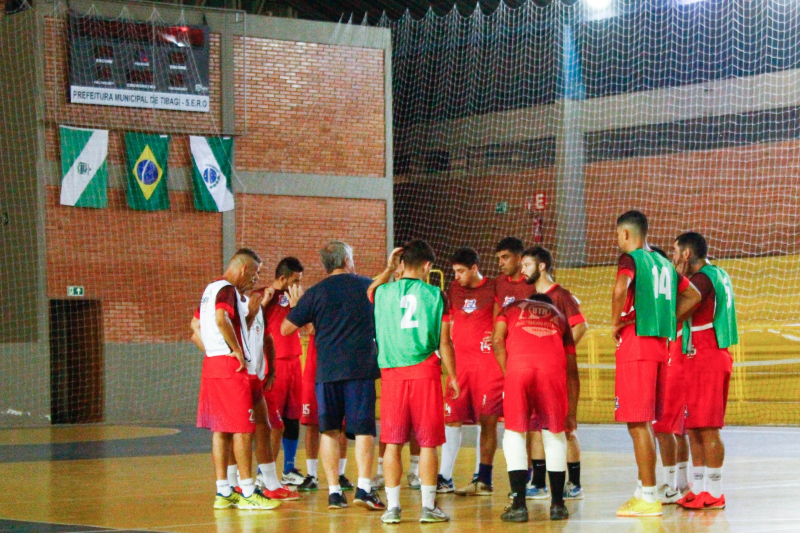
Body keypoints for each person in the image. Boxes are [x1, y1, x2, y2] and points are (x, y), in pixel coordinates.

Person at [281, 241, 384, 511]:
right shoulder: (366, 286)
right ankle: (363, 487)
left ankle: (335, 493)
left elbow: (285, 329)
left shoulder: (315, 293)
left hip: (326, 371)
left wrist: (298, 309)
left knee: (329, 430)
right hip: (360, 369)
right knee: (363, 430)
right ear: (347, 260)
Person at [611, 211, 700, 517]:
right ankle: (643, 489)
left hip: (637, 343)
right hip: (660, 346)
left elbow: (620, 289)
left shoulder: (631, 259)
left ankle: (649, 497)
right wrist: (669, 320)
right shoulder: (664, 262)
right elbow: (693, 294)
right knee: (647, 422)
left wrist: (615, 322)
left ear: (625, 234)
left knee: (638, 423)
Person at [369, 241, 459, 524]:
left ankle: (392, 508)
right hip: (425, 373)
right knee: (429, 443)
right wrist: (454, 376)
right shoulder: (437, 294)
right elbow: (445, 342)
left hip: (392, 376)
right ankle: (428, 507)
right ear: (427, 266)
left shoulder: (382, 292)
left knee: (393, 442)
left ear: (400, 264)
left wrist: (387, 269)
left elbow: (369, 290)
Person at [195, 249, 280, 510]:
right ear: (243, 269)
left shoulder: (210, 289)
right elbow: (221, 319)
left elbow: (198, 326)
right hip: (230, 365)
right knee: (244, 430)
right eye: (254, 274)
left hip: (212, 364)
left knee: (221, 430)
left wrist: (251, 315)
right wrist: (236, 350)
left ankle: (223, 491)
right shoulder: (228, 290)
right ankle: (247, 492)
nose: (255, 280)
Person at [493, 292, 579, 522]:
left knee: (514, 434)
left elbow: (496, 340)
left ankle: (519, 506)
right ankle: (558, 506)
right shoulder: (560, 316)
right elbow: (572, 371)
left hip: (518, 369)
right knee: (554, 435)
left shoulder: (510, 307)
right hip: (552, 373)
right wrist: (572, 413)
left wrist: (508, 371)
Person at [672, 232, 737, 511]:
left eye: (675, 251)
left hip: (707, 355)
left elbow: (676, 313)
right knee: (695, 426)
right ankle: (699, 488)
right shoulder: (716, 274)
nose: (673, 257)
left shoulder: (702, 280)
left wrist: (674, 280)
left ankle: (716, 491)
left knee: (708, 427)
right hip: (699, 355)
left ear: (686, 254)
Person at [525, 245, 588, 500]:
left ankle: (575, 484)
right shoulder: (530, 296)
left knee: (565, 427)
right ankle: (538, 484)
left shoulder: (560, 294)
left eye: (527, 265)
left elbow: (581, 326)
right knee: (536, 427)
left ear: (541, 266)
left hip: (560, 374)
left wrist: (559, 352)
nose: (523, 270)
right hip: (538, 373)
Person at [439, 247, 502, 496]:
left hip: (487, 366)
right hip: (460, 365)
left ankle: (482, 477)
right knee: (451, 418)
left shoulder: (495, 287)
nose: (457, 276)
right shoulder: (453, 290)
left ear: (475, 268)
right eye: (454, 271)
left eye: (461, 271)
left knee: (486, 421)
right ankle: (445, 476)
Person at [491, 236, 546, 499]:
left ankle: (540, 481)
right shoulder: (499, 284)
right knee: (516, 423)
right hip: (511, 363)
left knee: (535, 423)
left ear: (518, 257)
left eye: (506, 257)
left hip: (532, 360)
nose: (501, 263)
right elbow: (496, 318)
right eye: (498, 258)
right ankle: (523, 480)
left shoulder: (534, 284)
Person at [649, 246, 692, 504]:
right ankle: (681, 482)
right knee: (677, 428)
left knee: (664, 425)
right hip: (677, 354)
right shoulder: (673, 281)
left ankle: (669, 485)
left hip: (671, 355)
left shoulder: (666, 284)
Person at [262, 257, 306, 486]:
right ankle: (264, 473)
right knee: (272, 420)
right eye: (295, 280)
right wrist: (265, 301)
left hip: (294, 362)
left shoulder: (296, 298)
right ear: (282, 278)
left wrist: (299, 306)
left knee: (292, 416)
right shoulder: (263, 296)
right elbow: (250, 322)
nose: (298, 284)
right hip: (274, 364)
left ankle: (289, 468)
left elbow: (308, 327)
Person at [296, 334, 354, 492]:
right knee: (311, 423)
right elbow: (296, 323)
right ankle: (311, 475)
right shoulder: (315, 308)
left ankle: (340, 474)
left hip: (338, 367)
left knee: (341, 425)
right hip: (314, 369)